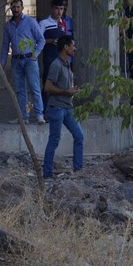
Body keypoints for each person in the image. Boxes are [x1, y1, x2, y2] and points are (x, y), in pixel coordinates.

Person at [42, 35, 84, 178]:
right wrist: (66, 91)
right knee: (54, 140)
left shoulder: (66, 64)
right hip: (57, 108)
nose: (75, 48)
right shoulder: (56, 65)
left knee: (79, 136)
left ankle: (78, 170)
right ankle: (47, 174)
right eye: (72, 45)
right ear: (65, 47)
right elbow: (47, 87)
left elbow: (64, 86)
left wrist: (72, 90)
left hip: (67, 108)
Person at [0, 0, 46, 125]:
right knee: (20, 90)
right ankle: (23, 117)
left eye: (18, 7)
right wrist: (2, 63)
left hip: (29, 60)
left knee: (35, 87)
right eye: (13, 7)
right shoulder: (8, 26)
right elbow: (5, 45)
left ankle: (39, 115)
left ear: (22, 8)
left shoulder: (31, 22)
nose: (15, 9)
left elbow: (41, 40)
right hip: (16, 60)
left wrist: (35, 54)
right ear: (10, 8)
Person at [39, 0, 66, 117]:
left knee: (60, 85)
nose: (59, 11)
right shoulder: (44, 23)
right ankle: (44, 111)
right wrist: (50, 41)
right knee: (47, 85)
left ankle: (57, 110)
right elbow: (38, 40)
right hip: (49, 59)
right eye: (57, 8)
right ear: (52, 9)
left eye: (61, 9)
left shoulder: (63, 24)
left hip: (61, 59)